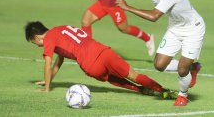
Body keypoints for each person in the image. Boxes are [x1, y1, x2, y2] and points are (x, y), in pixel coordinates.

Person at [116, 0, 206, 106]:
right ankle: (192, 66)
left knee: (182, 70)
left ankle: (183, 95)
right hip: (175, 27)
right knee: (159, 65)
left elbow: (154, 16)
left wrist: (127, 7)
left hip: (193, 29)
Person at [25, 21, 176, 98]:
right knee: (135, 75)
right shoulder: (60, 29)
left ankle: (141, 90)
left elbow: (48, 63)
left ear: (37, 37)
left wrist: (46, 88)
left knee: (111, 78)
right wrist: (48, 80)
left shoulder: (49, 39)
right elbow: (59, 61)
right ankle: (163, 91)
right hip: (103, 51)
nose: (37, 45)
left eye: (34, 42)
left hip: (90, 65)